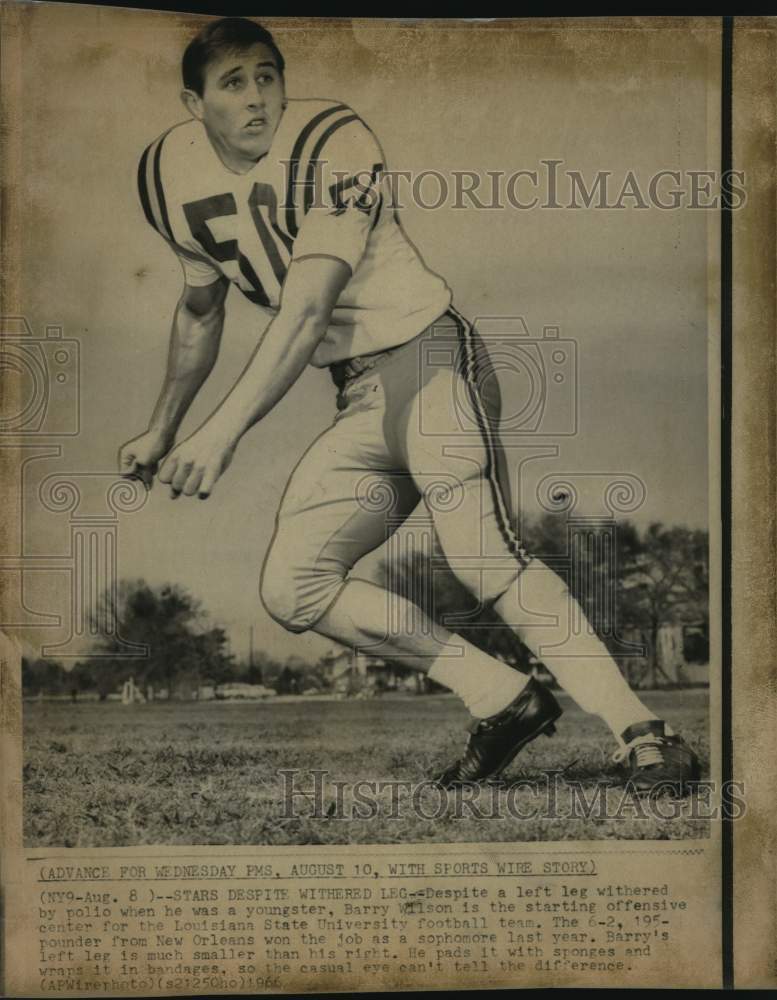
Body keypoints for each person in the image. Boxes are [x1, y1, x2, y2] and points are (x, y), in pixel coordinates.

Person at [119, 17, 700, 793]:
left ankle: (644, 733)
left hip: (428, 361)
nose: (258, 98)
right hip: (357, 397)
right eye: (234, 84)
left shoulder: (331, 138)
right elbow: (198, 311)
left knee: (482, 557)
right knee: (293, 588)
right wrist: (162, 427)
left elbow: (305, 309)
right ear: (193, 102)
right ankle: (503, 698)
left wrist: (219, 433)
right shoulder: (166, 173)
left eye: (268, 75)